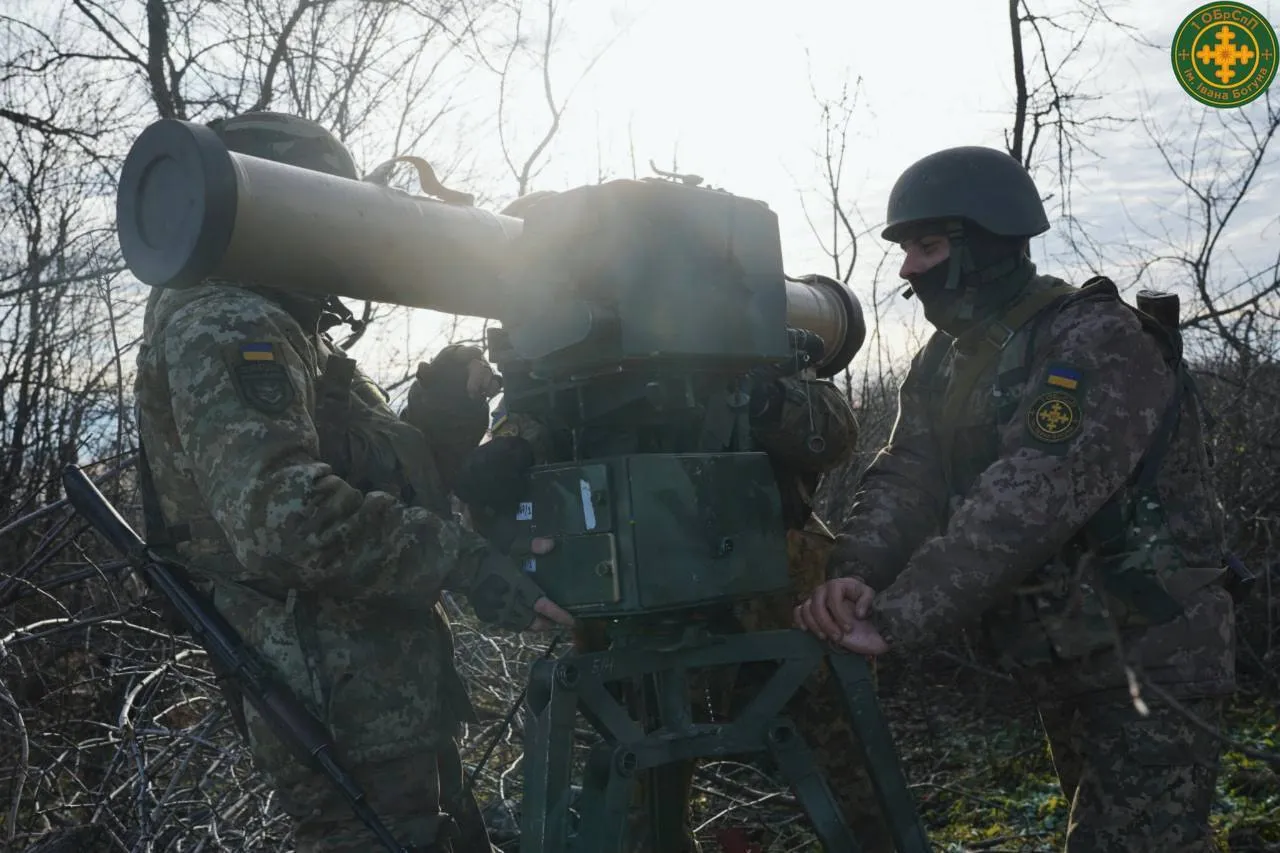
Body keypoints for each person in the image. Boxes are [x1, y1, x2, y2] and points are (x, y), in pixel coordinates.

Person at [132, 111, 573, 853]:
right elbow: (286, 519)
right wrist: (463, 561)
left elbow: (368, 480)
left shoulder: (288, 330)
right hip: (341, 712)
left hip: (383, 698)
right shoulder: (229, 323)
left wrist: (440, 420)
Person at [795, 145, 1237, 852]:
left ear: (988, 244)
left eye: (928, 246)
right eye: (907, 250)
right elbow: (910, 473)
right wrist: (857, 569)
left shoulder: (1094, 339)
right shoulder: (949, 359)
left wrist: (900, 616)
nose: (909, 269)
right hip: (1071, 656)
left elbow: (1028, 502)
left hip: (1157, 657)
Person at [457, 192, 895, 853]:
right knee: (640, 798)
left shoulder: (741, 331)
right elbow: (518, 449)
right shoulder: (549, 360)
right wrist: (505, 453)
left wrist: (757, 394)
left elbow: (832, 433)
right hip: (633, 600)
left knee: (845, 773)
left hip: (778, 582)